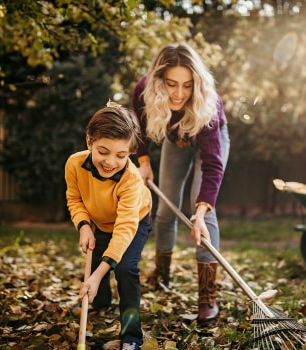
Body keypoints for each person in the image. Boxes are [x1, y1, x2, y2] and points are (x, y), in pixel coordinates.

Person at [132, 42, 230, 326]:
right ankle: (161, 276)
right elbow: (139, 129)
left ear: (196, 84)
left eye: (187, 85)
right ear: (159, 80)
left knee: (204, 214)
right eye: (171, 84)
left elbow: (212, 165)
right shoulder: (143, 90)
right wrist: (144, 161)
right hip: (177, 140)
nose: (178, 93)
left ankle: (207, 298)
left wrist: (199, 213)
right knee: (165, 210)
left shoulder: (209, 104)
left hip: (209, 140)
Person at [65, 101, 152, 350]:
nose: (111, 162)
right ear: (89, 141)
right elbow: (75, 198)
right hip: (98, 220)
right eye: (103, 151)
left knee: (124, 268)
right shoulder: (74, 164)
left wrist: (98, 274)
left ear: (130, 153)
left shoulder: (131, 180)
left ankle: (131, 335)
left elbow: (124, 229)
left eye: (121, 155)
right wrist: (83, 225)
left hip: (134, 220)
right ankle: (100, 302)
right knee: (95, 263)